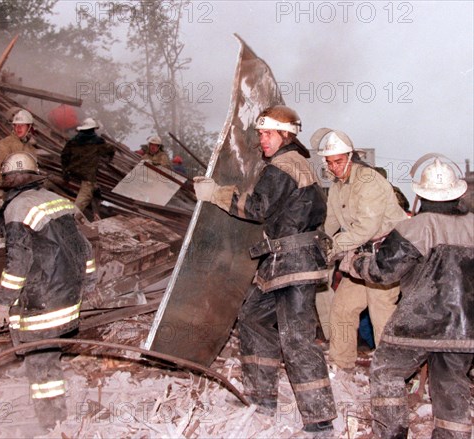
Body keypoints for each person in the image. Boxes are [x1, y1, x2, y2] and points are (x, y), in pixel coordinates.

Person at [194, 106, 337, 435]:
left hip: (293, 262)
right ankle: (261, 398)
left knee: (296, 339)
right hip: (282, 260)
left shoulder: (284, 165)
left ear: (286, 135)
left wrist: (215, 193)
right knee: (253, 318)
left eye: (267, 133)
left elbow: (258, 207)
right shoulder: (296, 163)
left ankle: (320, 422)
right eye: (260, 134)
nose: (261, 140)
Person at [347, 155, 473, 439]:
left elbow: (382, 272)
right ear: (457, 194)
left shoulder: (416, 227)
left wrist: (353, 262)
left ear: (420, 195)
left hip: (419, 323)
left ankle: (391, 433)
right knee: (451, 383)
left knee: (387, 371)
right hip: (466, 327)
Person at [0, 152, 95, 431]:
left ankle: (51, 423)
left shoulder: (16, 209)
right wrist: (90, 285)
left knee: (40, 363)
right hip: (69, 295)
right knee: (49, 356)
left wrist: (3, 303)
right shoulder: (58, 201)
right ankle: (56, 419)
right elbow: (85, 248)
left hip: (43, 301)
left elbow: (18, 262)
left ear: (9, 183)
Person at [314, 129, 408, 371]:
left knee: (381, 314)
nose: (334, 167)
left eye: (339, 161)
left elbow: (365, 228)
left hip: (385, 257)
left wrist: (331, 249)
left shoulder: (369, 181)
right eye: (330, 162)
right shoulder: (337, 186)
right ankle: (341, 365)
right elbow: (330, 222)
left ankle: (391, 373)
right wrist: (314, 240)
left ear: (350, 156)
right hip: (361, 258)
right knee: (342, 308)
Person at [61, 117, 114, 220]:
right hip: (87, 176)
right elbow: (110, 149)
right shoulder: (98, 142)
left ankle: (94, 212)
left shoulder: (72, 141)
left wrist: (65, 171)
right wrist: (109, 157)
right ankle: (72, 217)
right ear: (93, 129)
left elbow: (64, 156)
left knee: (95, 191)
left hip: (72, 173)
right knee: (85, 196)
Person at [0, 109, 38, 189]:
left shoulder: (30, 148)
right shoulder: (5, 144)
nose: (18, 128)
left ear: (29, 127)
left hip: (27, 186)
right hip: (10, 187)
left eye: (22, 125)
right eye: (16, 125)